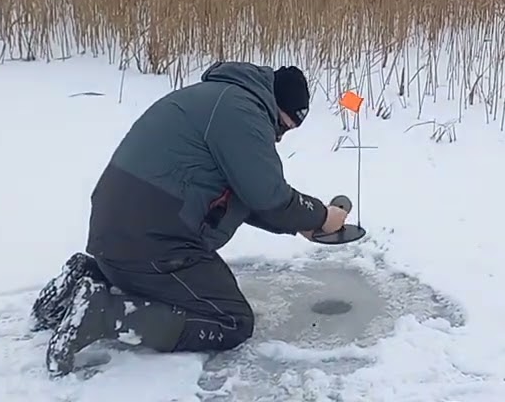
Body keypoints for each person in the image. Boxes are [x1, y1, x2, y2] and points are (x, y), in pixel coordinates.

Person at [29, 60, 350, 377]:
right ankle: (103, 315)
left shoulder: (217, 98)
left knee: (168, 280)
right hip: (154, 240)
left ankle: (90, 275)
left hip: (118, 234)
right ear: (276, 106)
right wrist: (323, 216)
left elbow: (245, 195)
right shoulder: (243, 114)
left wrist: (301, 224)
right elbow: (269, 195)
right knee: (232, 320)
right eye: (283, 126)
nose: (279, 137)